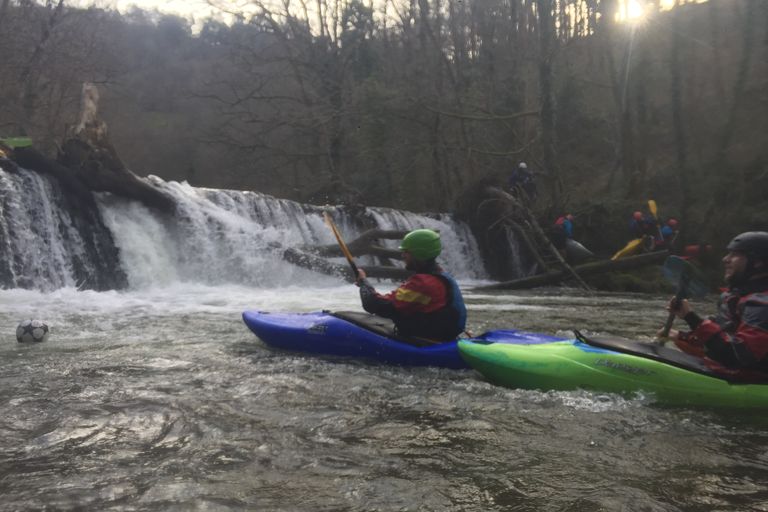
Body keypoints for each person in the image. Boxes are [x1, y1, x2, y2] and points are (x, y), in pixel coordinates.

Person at [661, 231, 768, 381]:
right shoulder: (739, 297)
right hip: (734, 372)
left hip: (751, 379)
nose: (726, 259)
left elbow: (738, 357)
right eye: (728, 254)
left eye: (735, 255)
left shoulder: (762, 304)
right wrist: (682, 337)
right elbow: (720, 344)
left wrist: (691, 318)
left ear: (758, 262)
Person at [355, 229, 467, 342]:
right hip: (445, 335)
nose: (402, 255)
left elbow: (374, 304)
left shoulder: (423, 283)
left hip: (428, 340)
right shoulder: (442, 275)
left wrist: (364, 282)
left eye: (406, 252)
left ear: (419, 253)